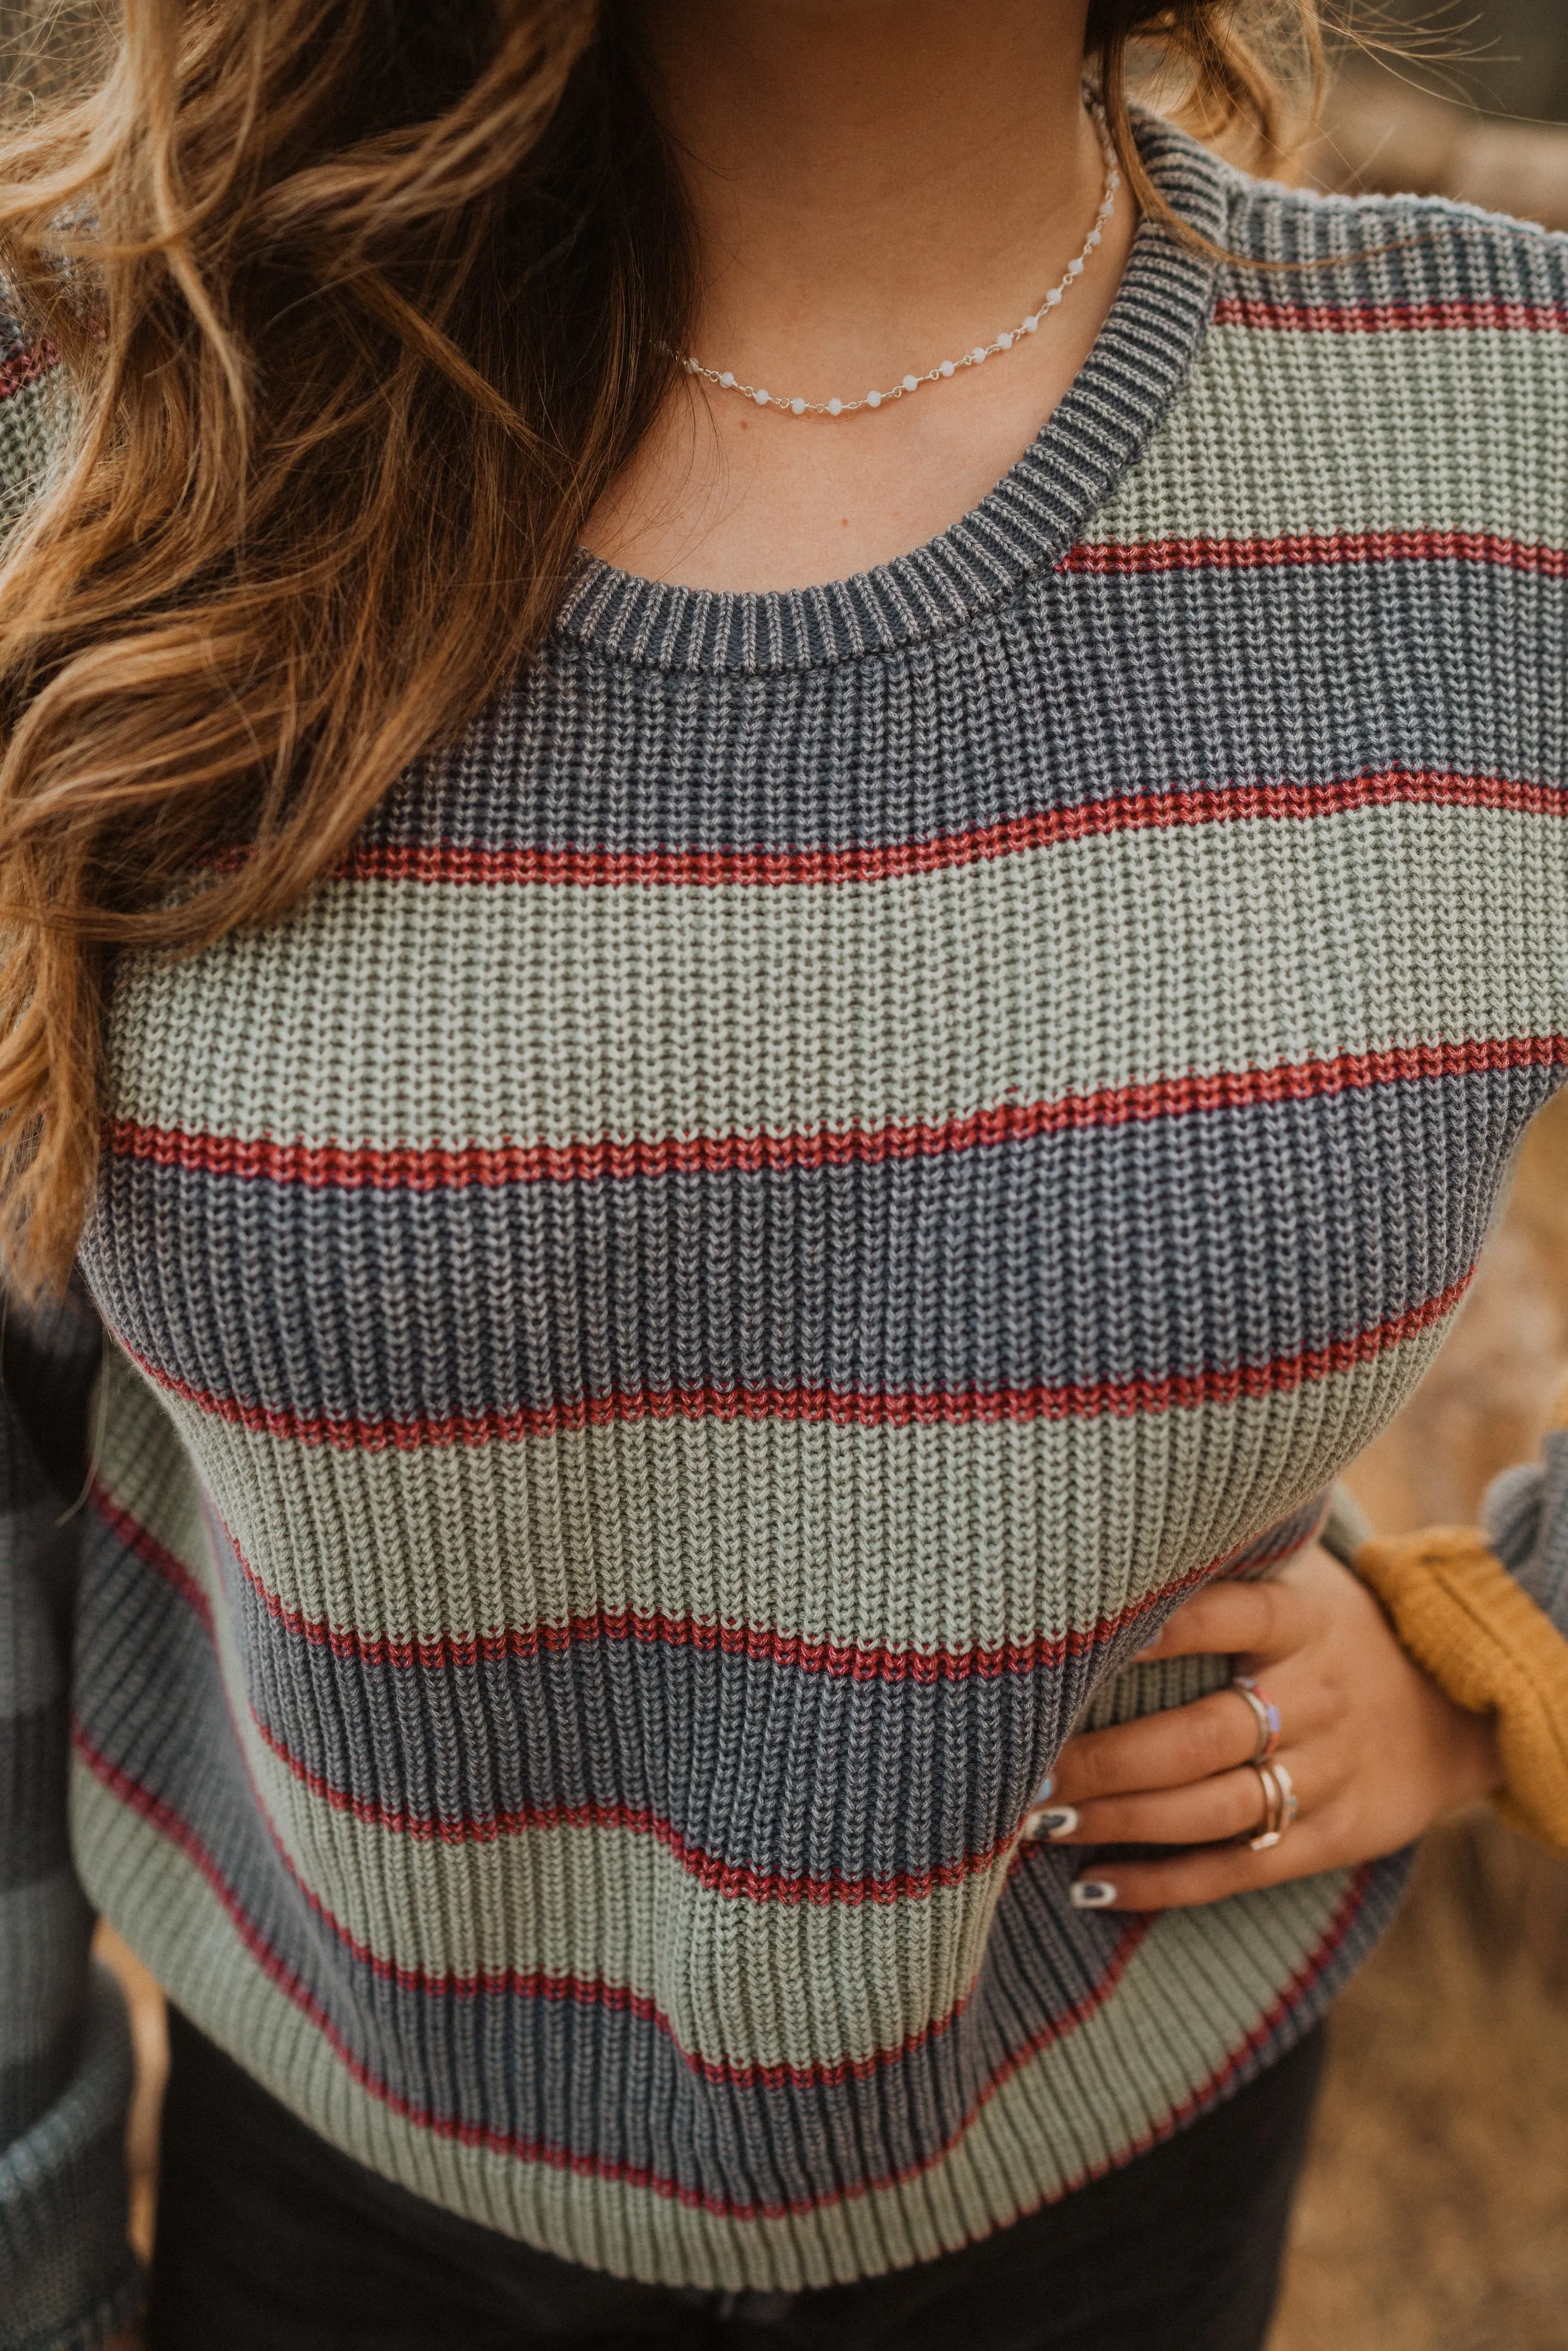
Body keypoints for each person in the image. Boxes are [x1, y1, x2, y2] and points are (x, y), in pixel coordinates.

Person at [1, 2, 1566, 2345]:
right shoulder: (108, 397)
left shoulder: (1501, 437)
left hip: (1118, 2191)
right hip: (339, 2209)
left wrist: (1508, 1652)